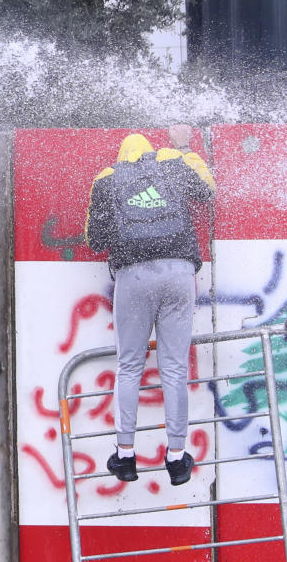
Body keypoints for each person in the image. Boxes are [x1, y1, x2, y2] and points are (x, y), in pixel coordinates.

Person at [84, 125, 216, 486]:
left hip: (134, 277)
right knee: (174, 369)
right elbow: (206, 190)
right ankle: (176, 458)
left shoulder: (108, 178)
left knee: (129, 367)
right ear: (150, 152)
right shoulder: (172, 163)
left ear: (122, 156)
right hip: (179, 273)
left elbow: (94, 239)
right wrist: (184, 145)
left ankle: (125, 457)